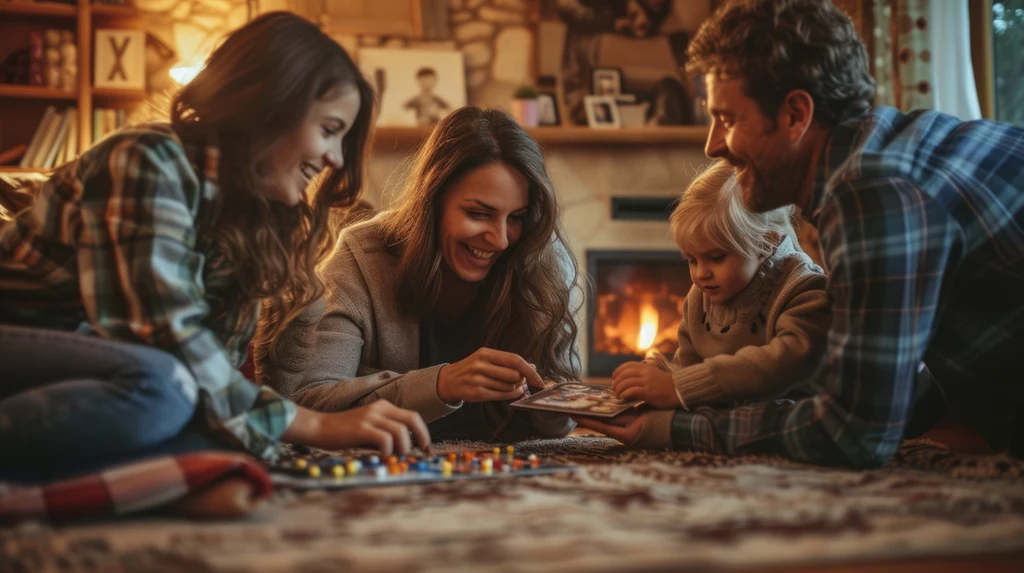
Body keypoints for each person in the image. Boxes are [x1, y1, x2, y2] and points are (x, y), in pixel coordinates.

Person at [575, 0, 1024, 466]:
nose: (712, 144)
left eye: (727, 119)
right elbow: (890, 391)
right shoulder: (896, 152)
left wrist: (673, 428)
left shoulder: (871, 192)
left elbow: (853, 434)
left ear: (795, 114)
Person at [0, 12, 430, 483]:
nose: (335, 159)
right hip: (24, 343)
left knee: (219, 439)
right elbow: (165, 340)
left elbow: (216, 379)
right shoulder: (146, 159)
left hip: (101, 381)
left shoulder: (258, 215)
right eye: (329, 130)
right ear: (268, 107)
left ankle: (144, 478)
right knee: (165, 389)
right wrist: (315, 424)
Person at [257, 107, 582, 442]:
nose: (500, 239)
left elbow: (562, 420)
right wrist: (441, 384)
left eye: (516, 217)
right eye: (478, 213)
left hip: (508, 478)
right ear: (432, 201)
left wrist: (552, 407)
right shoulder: (360, 258)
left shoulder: (537, 255)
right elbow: (310, 405)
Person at [610, 161, 829, 413]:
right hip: (730, 418)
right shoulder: (699, 298)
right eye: (691, 260)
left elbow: (782, 363)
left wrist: (679, 386)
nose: (701, 274)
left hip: (789, 420)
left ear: (766, 243)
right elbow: (688, 367)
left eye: (716, 258)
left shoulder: (805, 288)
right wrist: (660, 375)